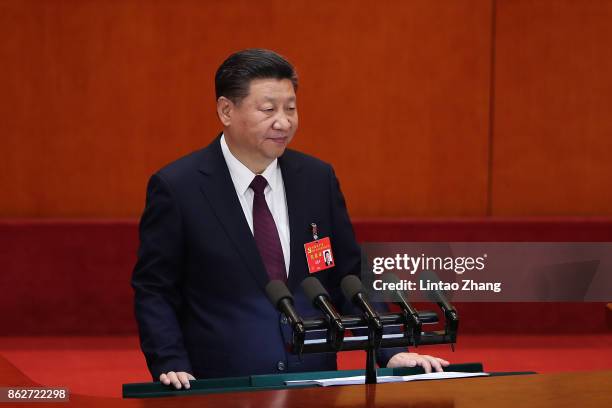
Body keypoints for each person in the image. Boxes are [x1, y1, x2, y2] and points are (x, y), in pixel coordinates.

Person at [132, 49, 449, 390]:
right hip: (221, 385)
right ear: (226, 110)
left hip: (315, 383)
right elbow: (155, 288)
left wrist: (391, 349)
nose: (283, 122)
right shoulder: (179, 187)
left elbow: (350, 275)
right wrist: (170, 361)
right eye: (268, 110)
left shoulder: (316, 179)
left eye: (291, 108)